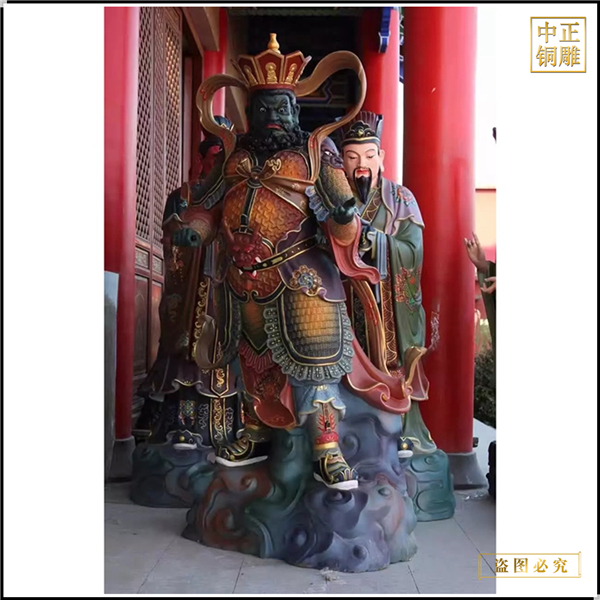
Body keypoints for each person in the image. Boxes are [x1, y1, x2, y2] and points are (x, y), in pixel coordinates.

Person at [171, 35, 420, 489]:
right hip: (245, 279)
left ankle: (328, 450)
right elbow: (208, 207)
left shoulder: (316, 153)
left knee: (315, 365)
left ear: (296, 110)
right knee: (253, 362)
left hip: (304, 278)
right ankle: (256, 432)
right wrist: (196, 229)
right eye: (264, 107)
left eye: (282, 107)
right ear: (251, 110)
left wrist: (343, 218)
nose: (274, 115)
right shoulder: (234, 155)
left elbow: (344, 219)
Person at [136, 116, 244, 451]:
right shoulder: (181, 196)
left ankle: (229, 425)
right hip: (189, 288)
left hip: (222, 286)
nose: (218, 166)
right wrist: (184, 235)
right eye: (214, 158)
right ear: (201, 159)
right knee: (184, 346)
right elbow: (171, 239)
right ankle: (179, 422)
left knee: (225, 342)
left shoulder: (237, 195)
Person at [333, 111, 436, 458]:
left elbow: (413, 250)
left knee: (394, 361)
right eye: (352, 157)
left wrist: (375, 241)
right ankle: (347, 430)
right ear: (342, 163)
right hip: (348, 298)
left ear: (382, 157)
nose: (361, 165)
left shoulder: (401, 199)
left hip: (390, 302)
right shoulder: (335, 199)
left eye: (368, 156)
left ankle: (403, 429)